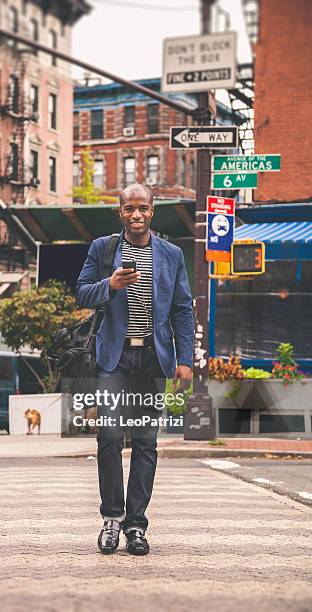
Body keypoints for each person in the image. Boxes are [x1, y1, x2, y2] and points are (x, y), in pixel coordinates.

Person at [76, 183, 194, 556]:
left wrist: (186, 359)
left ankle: (136, 527)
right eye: (130, 208)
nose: (137, 214)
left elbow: (182, 309)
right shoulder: (103, 248)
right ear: (121, 212)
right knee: (109, 436)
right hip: (115, 357)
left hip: (153, 361)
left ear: (152, 211)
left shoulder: (171, 254)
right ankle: (111, 518)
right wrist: (109, 285)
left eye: (143, 208)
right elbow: (81, 293)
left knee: (145, 442)